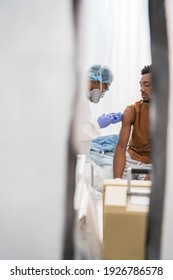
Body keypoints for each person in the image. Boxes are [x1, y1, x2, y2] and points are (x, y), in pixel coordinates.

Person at [113, 65, 152, 180]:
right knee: (118, 189)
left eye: (147, 85)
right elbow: (121, 147)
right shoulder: (131, 110)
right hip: (130, 158)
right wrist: (117, 181)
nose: (141, 89)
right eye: (140, 84)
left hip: (152, 162)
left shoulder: (167, 113)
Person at [87, 64, 122, 130]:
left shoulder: (82, 97)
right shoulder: (77, 98)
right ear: (97, 81)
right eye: (105, 88)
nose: (103, 93)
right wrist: (98, 124)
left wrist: (96, 124)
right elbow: (79, 133)